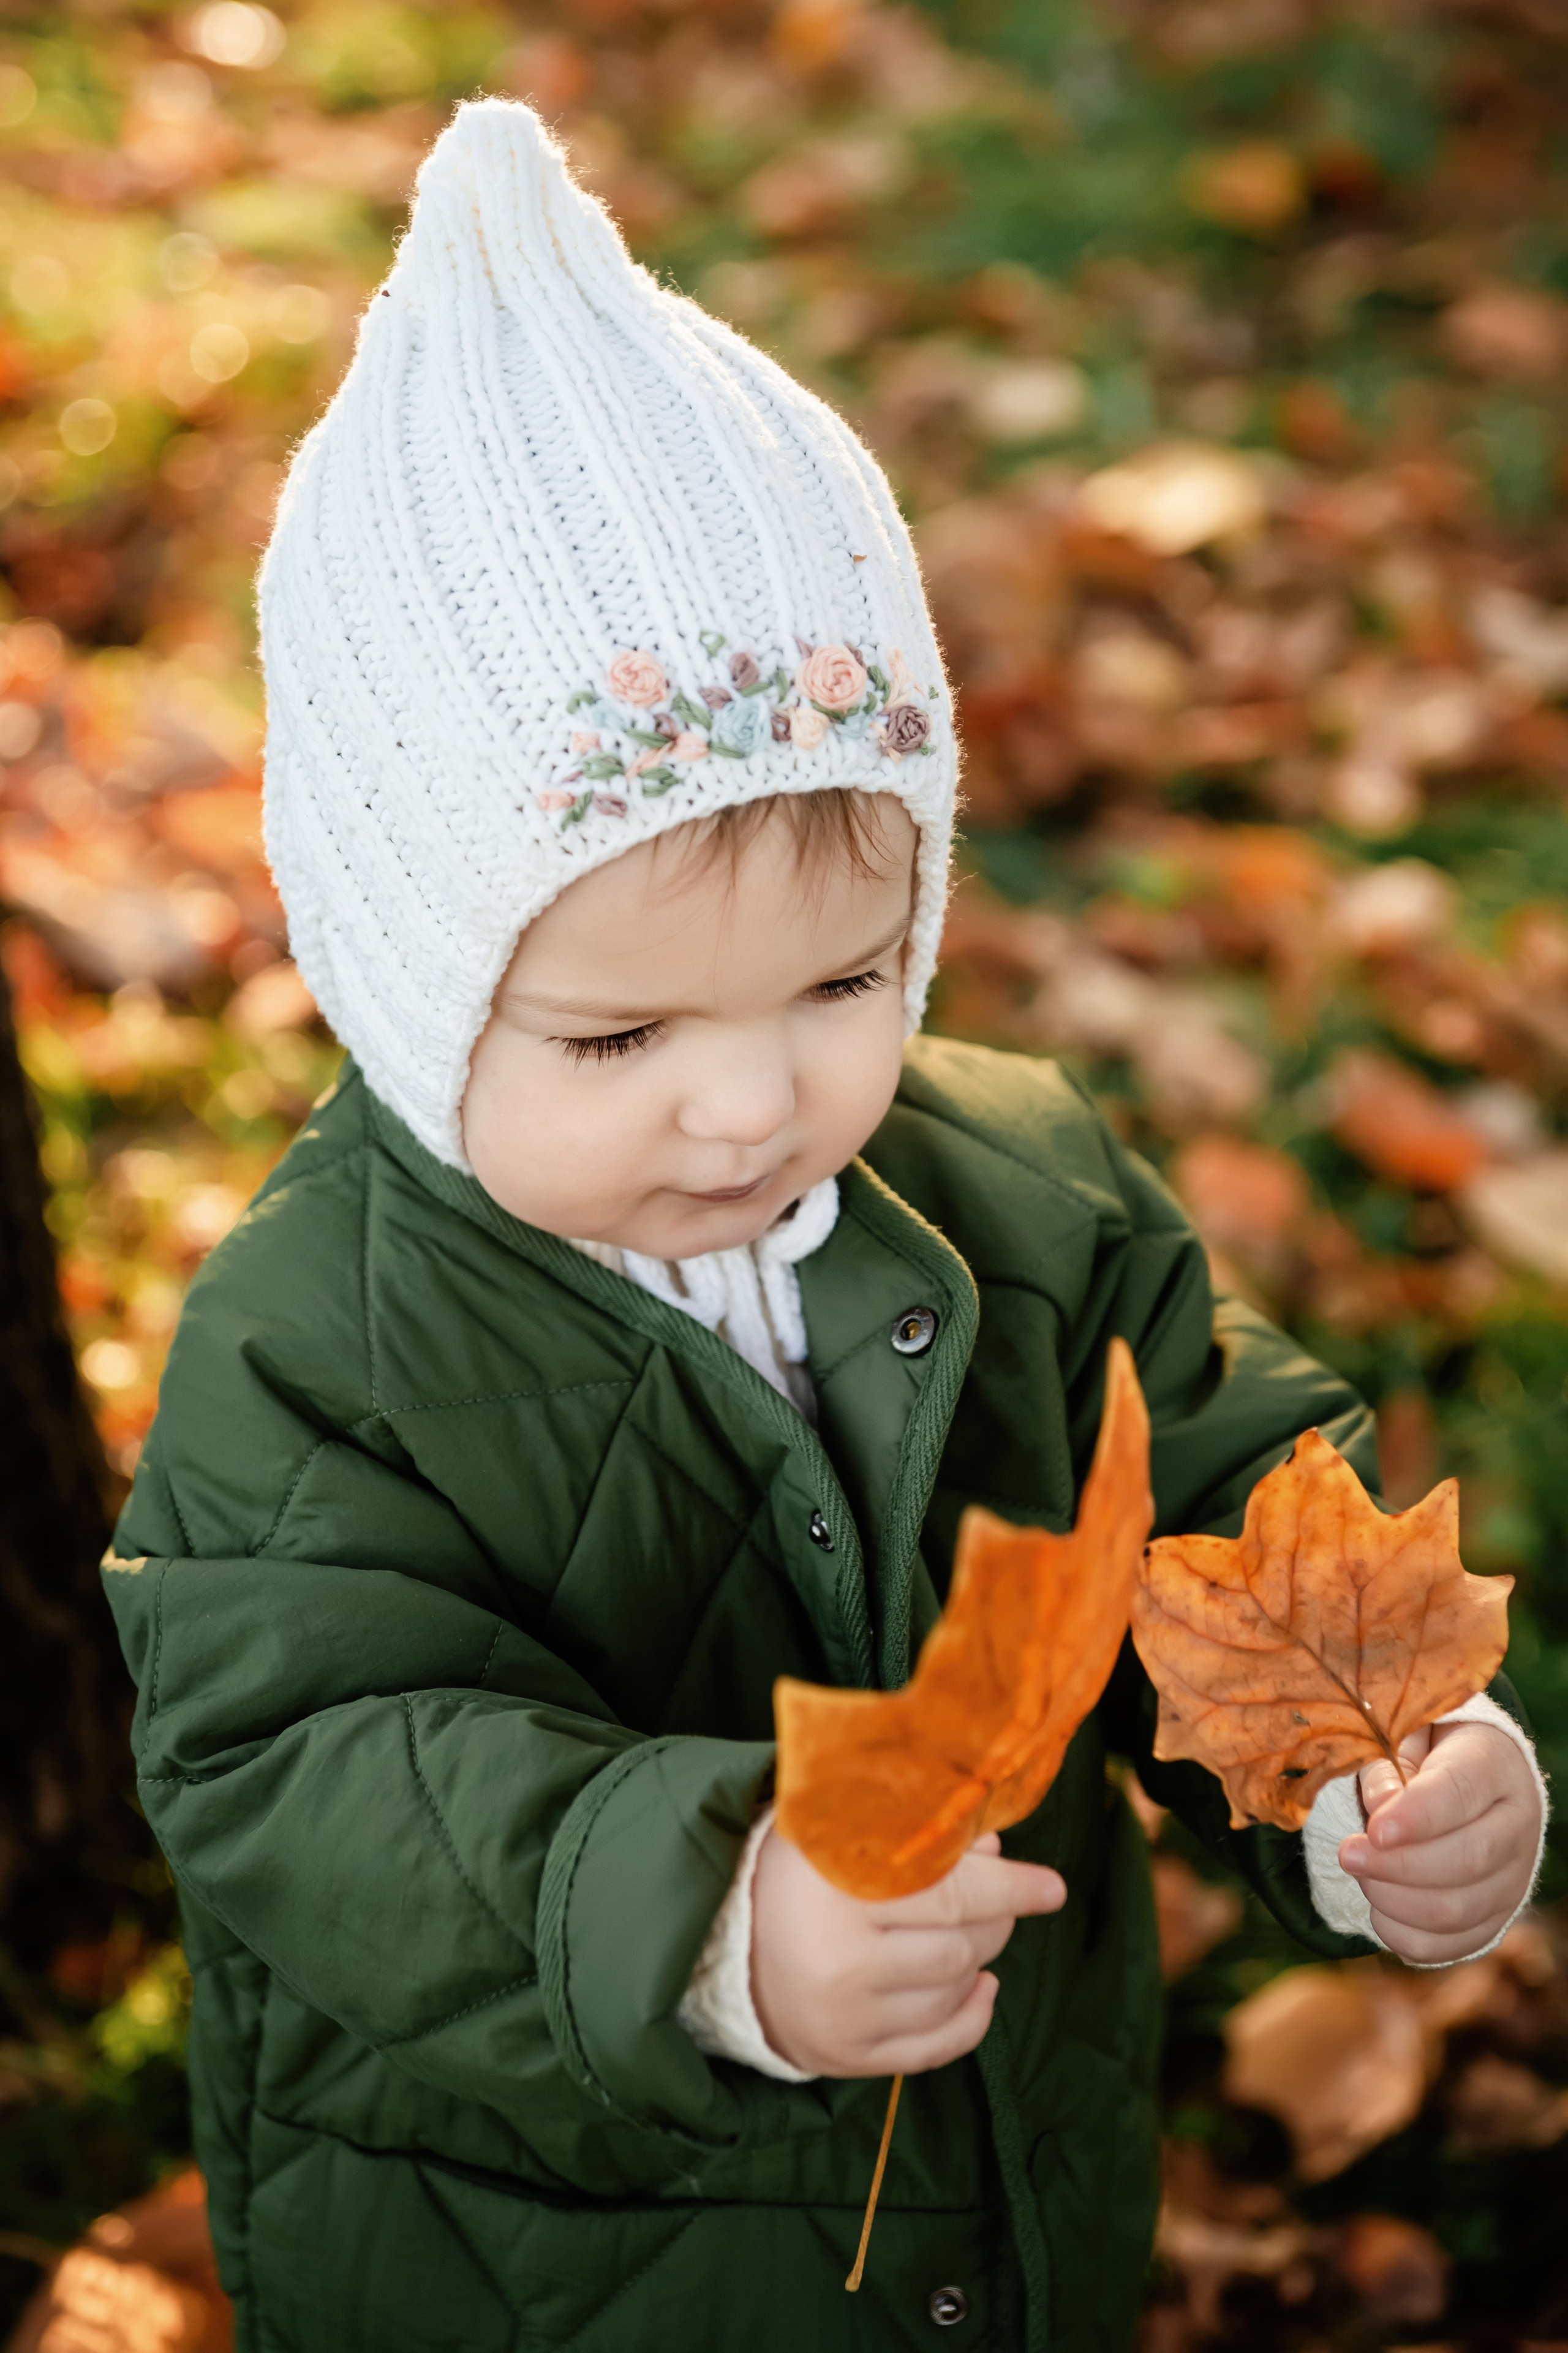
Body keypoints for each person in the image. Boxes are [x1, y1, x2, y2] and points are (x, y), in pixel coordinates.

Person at [102, 100, 1547, 2353]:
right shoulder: (321, 1343)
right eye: (618, 1036)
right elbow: (304, 1761)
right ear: (404, 983)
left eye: (846, 982)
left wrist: (1368, 1751)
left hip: (1002, 2196)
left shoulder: (1022, 1190)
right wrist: (704, 1918)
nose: (757, 1095)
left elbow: (1225, 1482)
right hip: (550, 2258)